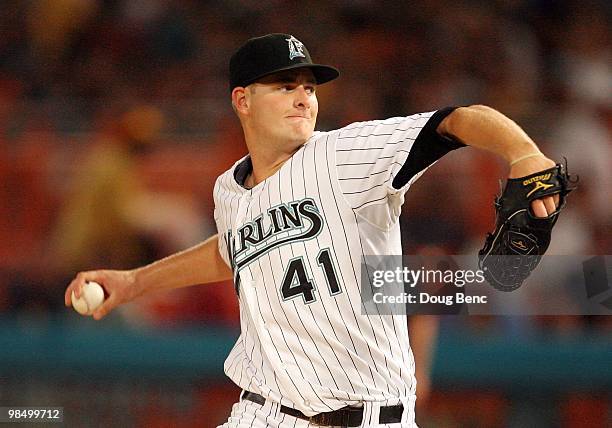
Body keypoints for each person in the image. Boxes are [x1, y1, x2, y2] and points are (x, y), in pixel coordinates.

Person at [65, 34, 560, 427]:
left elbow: (457, 121)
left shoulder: (346, 153)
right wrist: (134, 283)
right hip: (263, 413)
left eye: (309, 87)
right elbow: (232, 250)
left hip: (372, 416)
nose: (303, 97)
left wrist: (523, 153)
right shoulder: (228, 192)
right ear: (242, 99)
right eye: (285, 86)